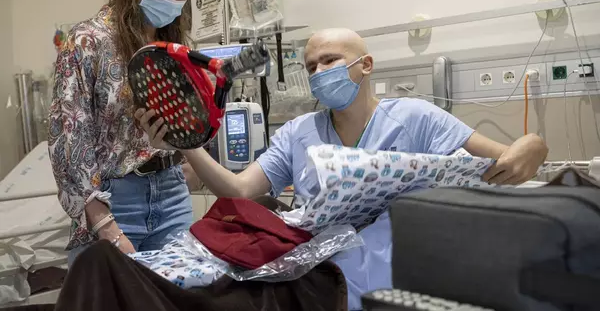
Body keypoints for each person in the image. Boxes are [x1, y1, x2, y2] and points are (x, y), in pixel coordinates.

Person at [136, 28, 548, 309]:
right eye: (311, 66)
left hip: (388, 267)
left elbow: (505, 161)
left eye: (330, 60)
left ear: (365, 65)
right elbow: (240, 192)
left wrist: (533, 146)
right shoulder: (299, 133)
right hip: (310, 267)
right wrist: (186, 146)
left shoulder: (417, 117)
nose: (318, 73)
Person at [48, 0, 200, 265]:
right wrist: (105, 225)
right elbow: (69, 147)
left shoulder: (172, 49)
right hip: (114, 202)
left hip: (172, 195)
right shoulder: (88, 41)